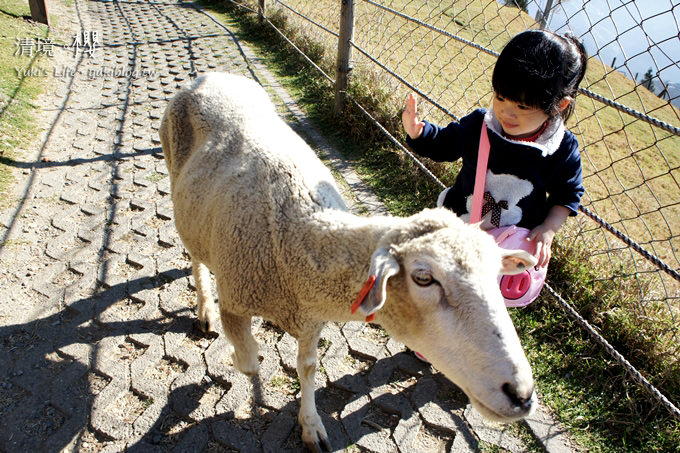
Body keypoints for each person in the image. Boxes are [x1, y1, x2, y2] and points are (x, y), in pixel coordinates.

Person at [402, 29, 587, 270]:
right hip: (457, 227)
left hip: (507, 247)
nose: (506, 112)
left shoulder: (560, 148)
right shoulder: (481, 125)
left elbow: (568, 193)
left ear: (558, 106)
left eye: (521, 105)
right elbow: (445, 144)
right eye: (500, 97)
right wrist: (419, 132)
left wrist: (549, 227)